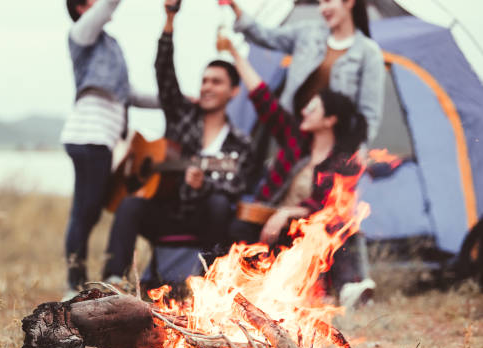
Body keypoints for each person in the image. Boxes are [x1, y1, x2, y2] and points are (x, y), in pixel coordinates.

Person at [101, 0, 253, 283]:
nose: (207, 86)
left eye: (216, 82)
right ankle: (112, 281)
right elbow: (165, 74)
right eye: (204, 80)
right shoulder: (182, 115)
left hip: (205, 220)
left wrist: (204, 184)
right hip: (167, 211)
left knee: (219, 204)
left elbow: (235, 186)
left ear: (234, 91)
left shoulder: (239, 143)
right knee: (130, 204)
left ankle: (211, 285)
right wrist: (170, 18)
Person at [219, 35, 372, 300]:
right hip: (270, 226)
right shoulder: (296, 144)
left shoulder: (342, 162)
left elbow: (327, 209)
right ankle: (226, 285)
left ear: (329, 120)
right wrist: (235, 53)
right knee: (235, 226)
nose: (304, 112)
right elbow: (262, 99)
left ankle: (345, 288)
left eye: (312, 109)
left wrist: (287, 212)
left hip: (305, 231)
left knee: (336, 227)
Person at [61, 0, 159, 298]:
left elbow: (129, 94)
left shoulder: (111, 45)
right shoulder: (81, 33)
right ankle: (73, 284)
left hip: (101, 140)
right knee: (84, 212)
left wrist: (175, 100)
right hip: (88, 135)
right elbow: (106, 7)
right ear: (80, 7)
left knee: (87, 212)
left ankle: (79, 281)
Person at [227, 0, 384, 142]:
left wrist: (358, 148)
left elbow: (369, 114)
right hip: (293, 133)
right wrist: (238, 12)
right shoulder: (308, 33)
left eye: (328, 2)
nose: (322, 9)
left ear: (349, 2)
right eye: (320, 3)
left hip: (333, 142)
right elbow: (267, 37)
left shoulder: (368, 52)